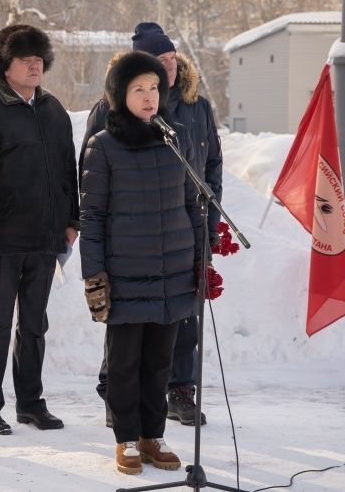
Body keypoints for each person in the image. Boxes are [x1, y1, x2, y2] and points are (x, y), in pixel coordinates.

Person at [79, 22, 222, 427]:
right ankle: (118, 404)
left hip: (176, 241)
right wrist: (96, 265)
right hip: (129, 247)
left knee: (176, 330)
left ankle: (175, 397)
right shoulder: (107, 118)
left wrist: (206, 237)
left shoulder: (191, 112)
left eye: (171, 60)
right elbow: (92, 188)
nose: (168, 68)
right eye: (159, 62)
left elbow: (208, 172)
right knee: (127, 338)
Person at [0, 24, 79, 436]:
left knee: (35, 326)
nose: (34, 66)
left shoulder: (53, 110)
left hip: (44, 239)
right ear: (5, 66)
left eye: (39, 59)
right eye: (25, 60)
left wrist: (72, 220)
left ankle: (31, 403)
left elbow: (68, 171)